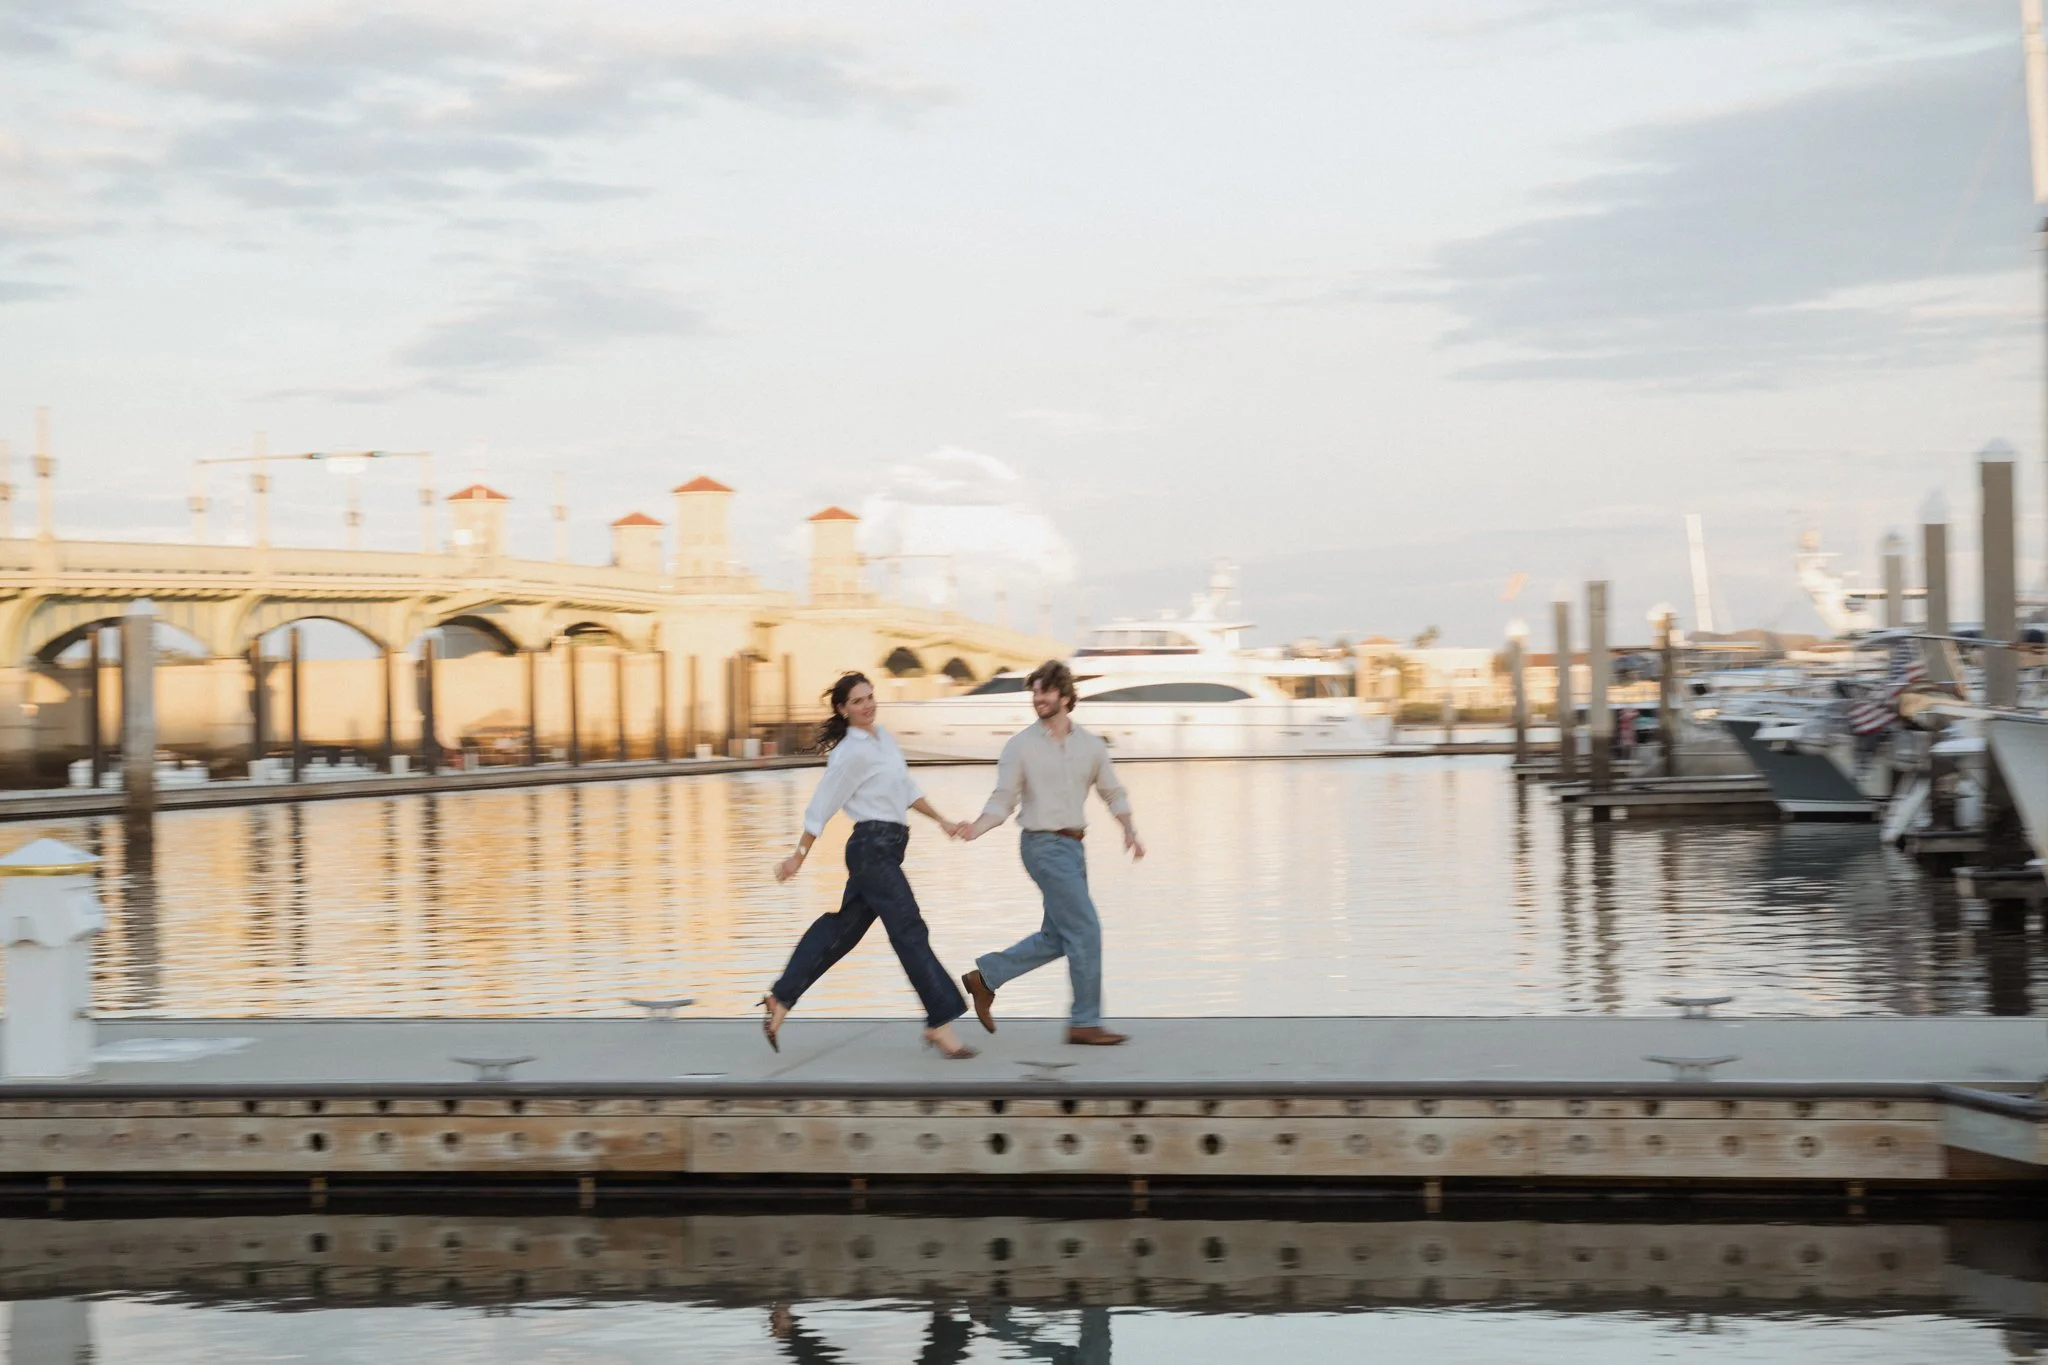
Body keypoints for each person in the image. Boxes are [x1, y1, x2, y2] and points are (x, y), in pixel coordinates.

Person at [762, 671, 977, 1059]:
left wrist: (942, 820)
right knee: (909, 929)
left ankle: (781, 997)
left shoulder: (883, 739)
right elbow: (822, 806)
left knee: (842, 930)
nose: (867, 705)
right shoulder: (850, 753)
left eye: (870, 697)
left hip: (888, 848)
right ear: (843, 709)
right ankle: (940, 1020)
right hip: (871, 849)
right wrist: (798, 856)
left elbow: (907, 790)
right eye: (858, 701)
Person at [954, 660, 1143, 1046]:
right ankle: (1084, 1022)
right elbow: (1003, 798)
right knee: (1086, 930)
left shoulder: (1090, 745)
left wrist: (1128, 829)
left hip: (1074, 849)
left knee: (1059, 936)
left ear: (1066, 696)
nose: (1038, 698)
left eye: (1045, 691)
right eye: (1035, 692)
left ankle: (985, 978)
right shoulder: (1020, 746)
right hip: (1041, 846)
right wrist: (977, 827)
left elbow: (1113, 792)